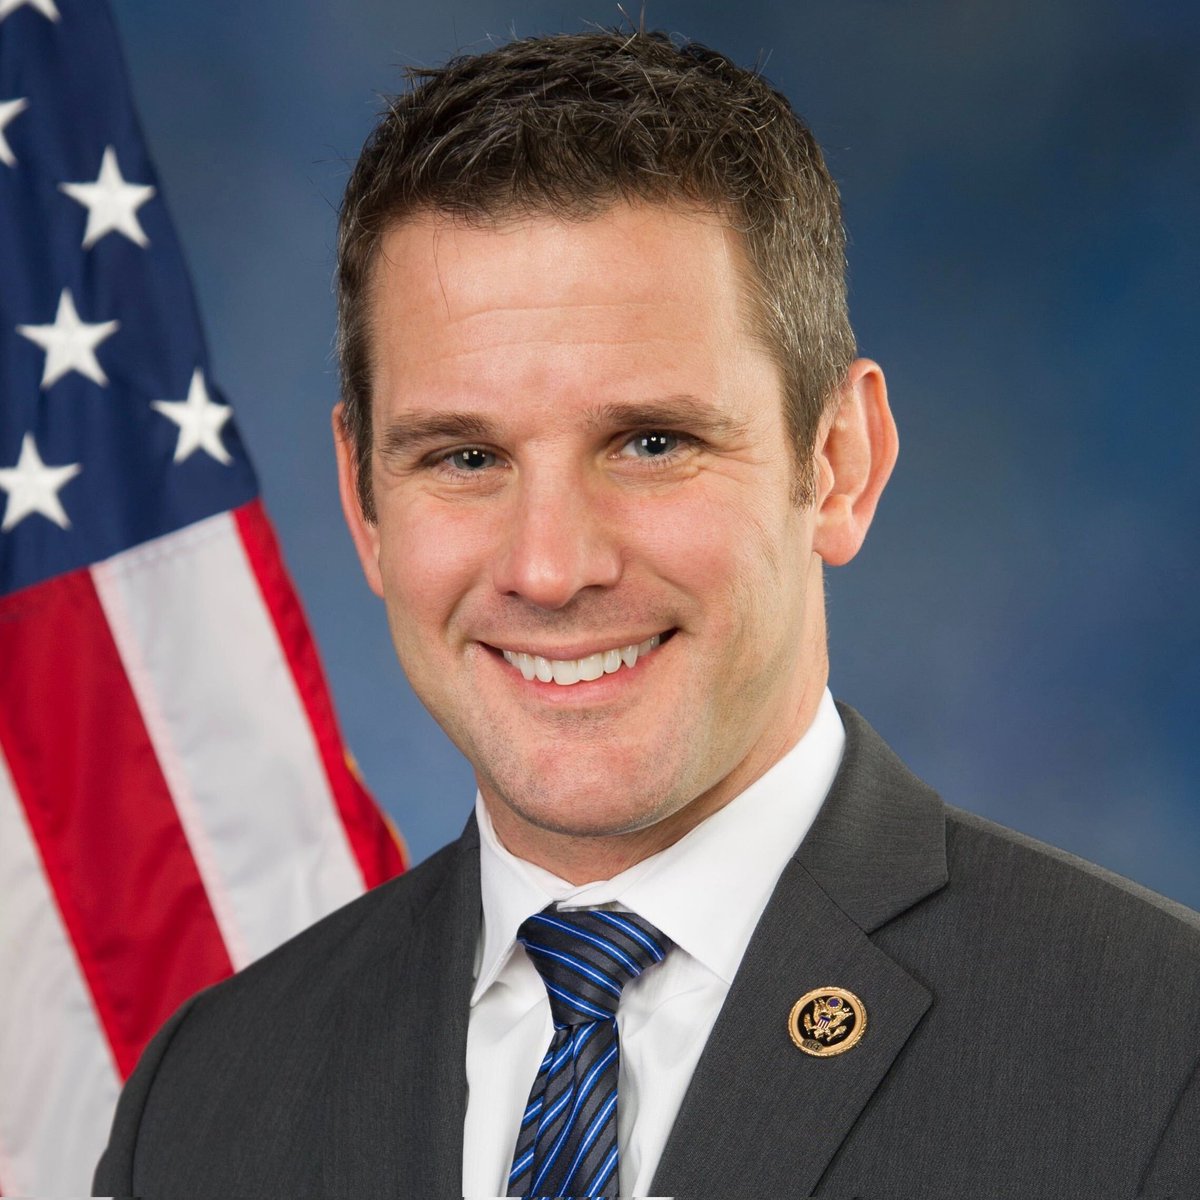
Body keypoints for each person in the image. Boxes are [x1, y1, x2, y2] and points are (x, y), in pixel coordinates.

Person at [94, 29, 1199, 1199]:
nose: (550, 567)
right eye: (465, 457)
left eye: (652, 442)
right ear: (363, 501)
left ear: (839, 464)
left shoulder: (1155, 1057)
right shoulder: (205, 1101)